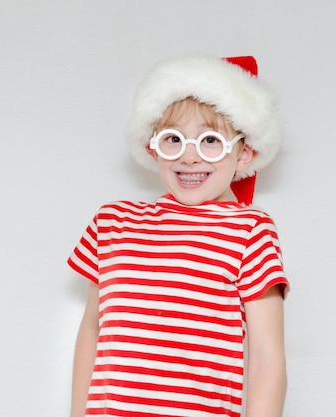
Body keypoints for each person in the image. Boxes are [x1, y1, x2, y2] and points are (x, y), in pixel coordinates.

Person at [68, 55, 289, 417]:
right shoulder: (113, 223)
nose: (189, 157)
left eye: (210, 141)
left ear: (244, 153)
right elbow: (92, 329)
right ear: (151, 145)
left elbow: (268, 358)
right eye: (173, 139)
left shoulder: (250, 230)